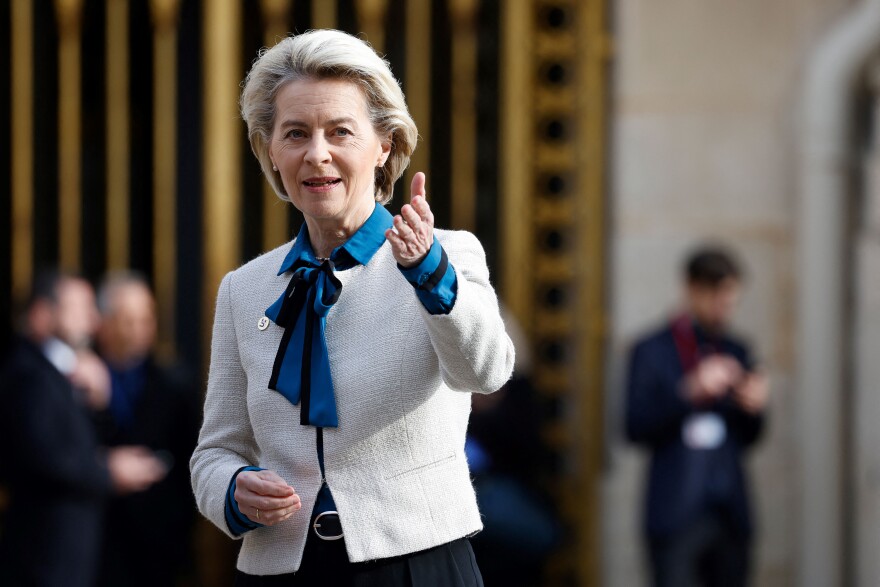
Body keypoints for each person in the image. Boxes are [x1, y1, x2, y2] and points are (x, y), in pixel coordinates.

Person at [189, 29, 515, 586]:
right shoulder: (243, 290)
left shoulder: (448, 254)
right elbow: (215, 450)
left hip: (417, 563)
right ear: (270, 148)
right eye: (295, 134)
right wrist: (233, 489)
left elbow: (484, 372)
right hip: (284, 568)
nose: (317, 154)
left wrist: (428, 274)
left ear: (383, 145)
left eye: (340, 131)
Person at [0, 271, 167, 587]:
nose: (93, 322)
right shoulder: (27, 373)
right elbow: (44, 457)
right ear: (41, 314)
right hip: (43, 556)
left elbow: (79, 440)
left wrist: (99, 402)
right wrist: (109, 470)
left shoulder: (66, 371)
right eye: (81, 310)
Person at [624, 246, 770, 587]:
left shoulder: (738, 350)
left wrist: (755, 405)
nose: (724, 310)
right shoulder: (652, 351)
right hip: (676, 512)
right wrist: (688, 393)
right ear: (693, 289)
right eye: (718, 298)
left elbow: (751, 436)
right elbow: (634, 427)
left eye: (731, 301)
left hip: (730, 512)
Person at [93, 272, 201, 587]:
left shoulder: (174, 384)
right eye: (128, 320)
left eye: (146, 319)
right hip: (98, 545)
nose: (140, 331)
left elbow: (192, 461)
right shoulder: (78, 379)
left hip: (158, 549)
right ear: (104, 323)